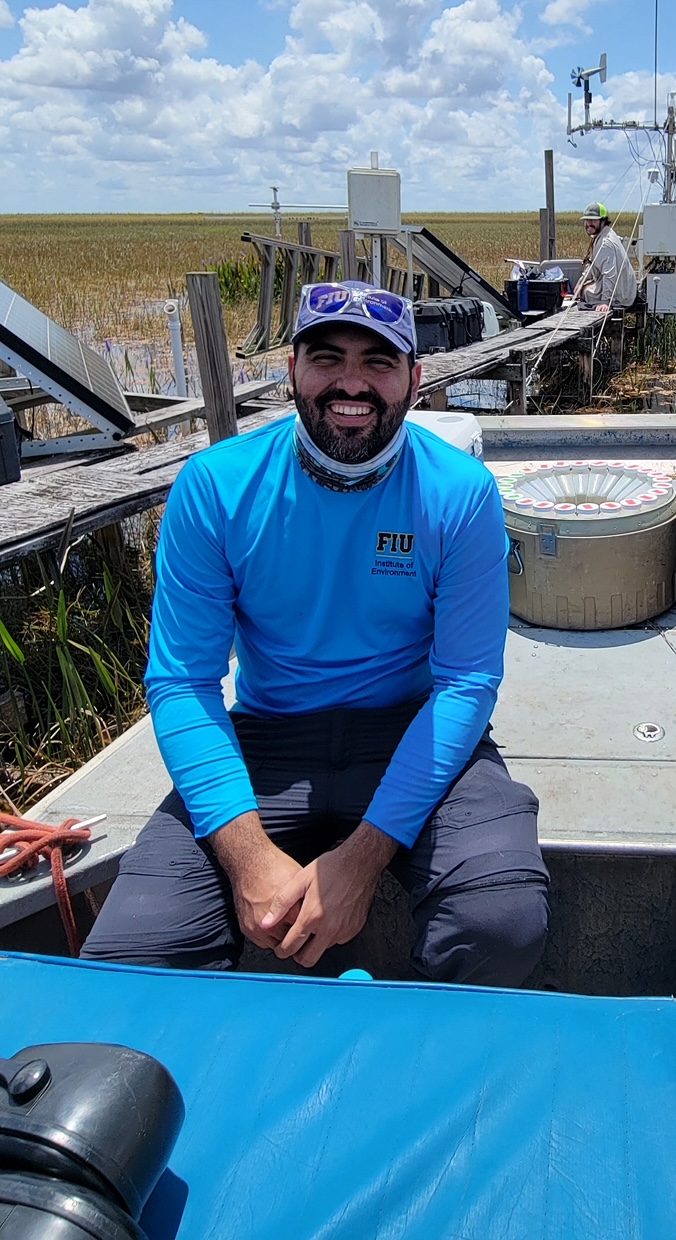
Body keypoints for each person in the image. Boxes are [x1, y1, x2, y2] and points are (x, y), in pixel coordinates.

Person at [82, 281, 550, 985]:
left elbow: (467, 683)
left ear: (415, 379)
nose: (352, 382)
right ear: (292, 370)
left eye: (380, 362)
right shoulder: (215, 487)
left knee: (502, 924)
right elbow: (181, 682)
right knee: (134, 955)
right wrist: (247, 857)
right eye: (327, 358)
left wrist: (361, 861)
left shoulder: (460, 493)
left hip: (414, 732)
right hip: (270, 739)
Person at [571, 202, 636, 310]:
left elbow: (610, 274)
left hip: (621, 295)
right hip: (623, 290)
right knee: (583, 288)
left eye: (593, 220)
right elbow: (591, 264)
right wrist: (579, 283)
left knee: (586, 292)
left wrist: (605, 302)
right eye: (587, 220)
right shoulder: (602, 235)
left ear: (603, 221)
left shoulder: (605, 244)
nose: (589, 223)